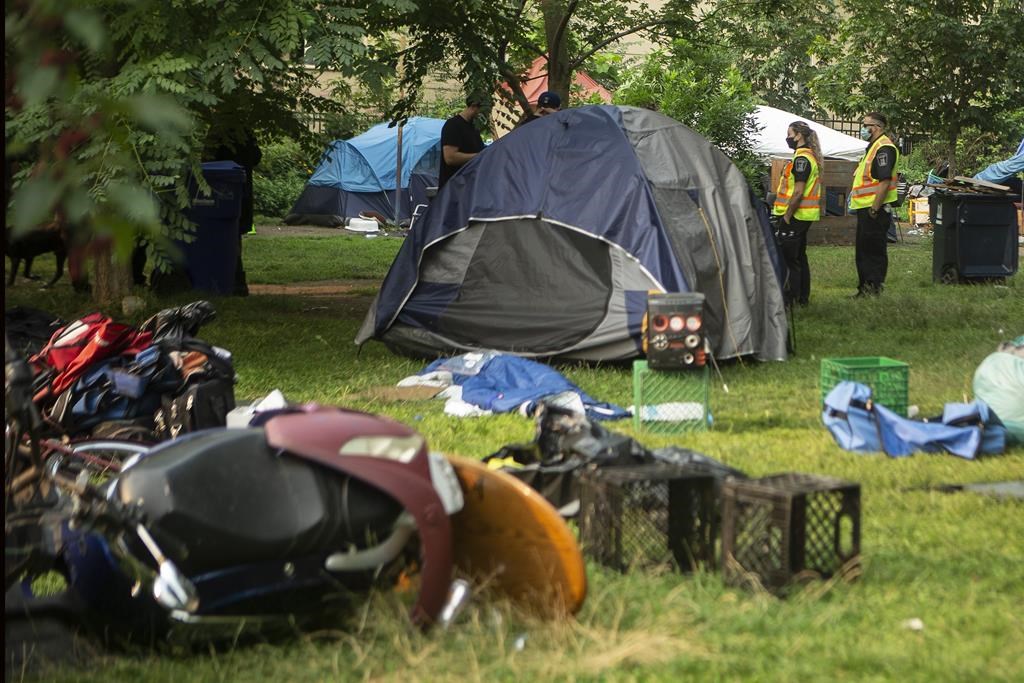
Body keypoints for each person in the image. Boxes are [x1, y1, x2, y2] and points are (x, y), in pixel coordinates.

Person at [771, 120, 822, 307]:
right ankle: (802, 299)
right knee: (799, 257)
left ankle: (791, 300)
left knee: (790, 259)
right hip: (802, 216)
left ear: (799, 135)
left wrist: (786, 215)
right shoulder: (806, 157)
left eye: (790, 134)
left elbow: (798, 192)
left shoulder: (802, 160)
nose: (788, 138)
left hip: (795, 216)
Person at [850, 112, 899, 297]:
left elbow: (884, 181)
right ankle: (864, 288)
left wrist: (874, 208)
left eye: (865, 125)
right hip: (866, 207)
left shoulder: (884, 148)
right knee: (863, 251)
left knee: (873, 251)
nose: (863, 129)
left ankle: (873, 288)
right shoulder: (873, 147)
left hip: (874, 209)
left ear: (876, 127)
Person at [439, 96, 487, 188]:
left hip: (469, 188)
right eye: (482, 111)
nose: (484, 114)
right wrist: (479, 156)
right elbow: (450, 158)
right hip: (453, 190)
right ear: (473, 106)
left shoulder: (474, 128)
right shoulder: (453, 125)